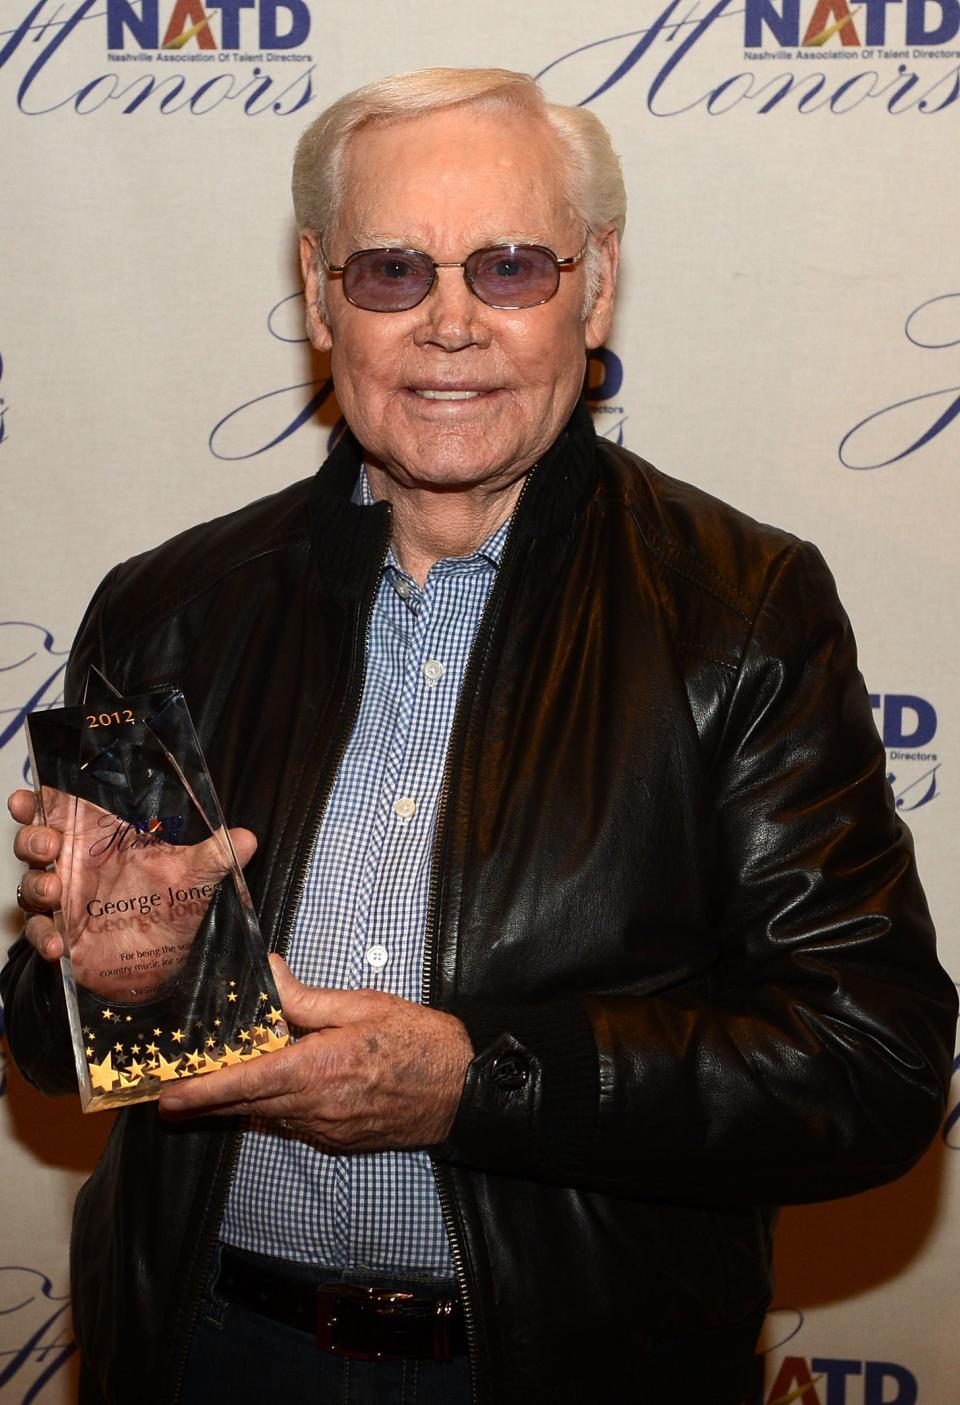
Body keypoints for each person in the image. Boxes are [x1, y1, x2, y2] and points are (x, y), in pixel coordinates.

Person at [2, 67, 956, 1405]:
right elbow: (52, 1053)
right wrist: (112, 978)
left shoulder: (741, 612)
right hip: (204, 1352)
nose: (452, 323)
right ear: (322, 288)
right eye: (394, 270)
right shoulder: (168, 608)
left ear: (597, 283)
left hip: (575, 1367)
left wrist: (480, 1082)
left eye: (510, 266)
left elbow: (873, 1062)